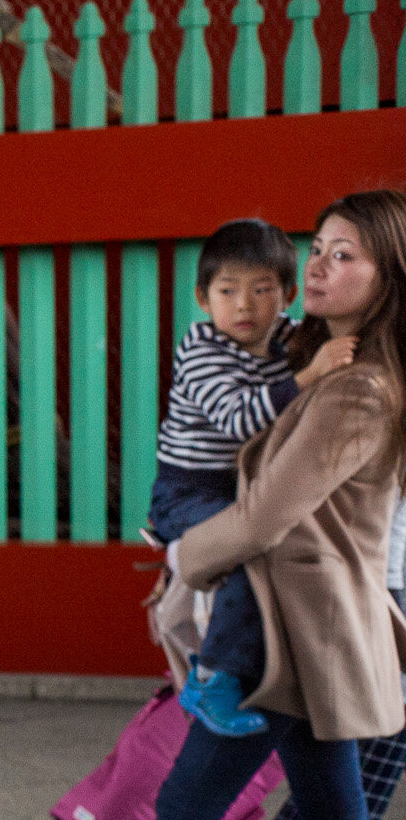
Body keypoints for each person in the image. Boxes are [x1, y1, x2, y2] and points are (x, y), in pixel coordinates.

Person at [0, 191, 406, 820]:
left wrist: (183, 554)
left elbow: (263, 518)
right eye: (321, 250)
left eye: (343, 256)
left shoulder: (359, 386)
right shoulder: (322, 357)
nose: (319, 269)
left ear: (388, 277)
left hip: (286, 634)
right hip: (294, 631)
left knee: (193, 800)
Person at [149, 218, 360, 736]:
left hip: (246, 485)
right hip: (191, 490)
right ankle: (213, 676)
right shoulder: (200, 349)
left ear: (288, 294)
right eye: (227, 291)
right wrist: (311, 376)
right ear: (203, 299)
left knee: (276, 552)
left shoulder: (289, 339)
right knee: (248, 560)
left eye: (262, 290)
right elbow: (241, 419)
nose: (244, 305)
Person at [234, 498, 406, 820]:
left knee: (363, 728)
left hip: (366, 567)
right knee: (376, 727)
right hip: (369, 571)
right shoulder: (362, 426)